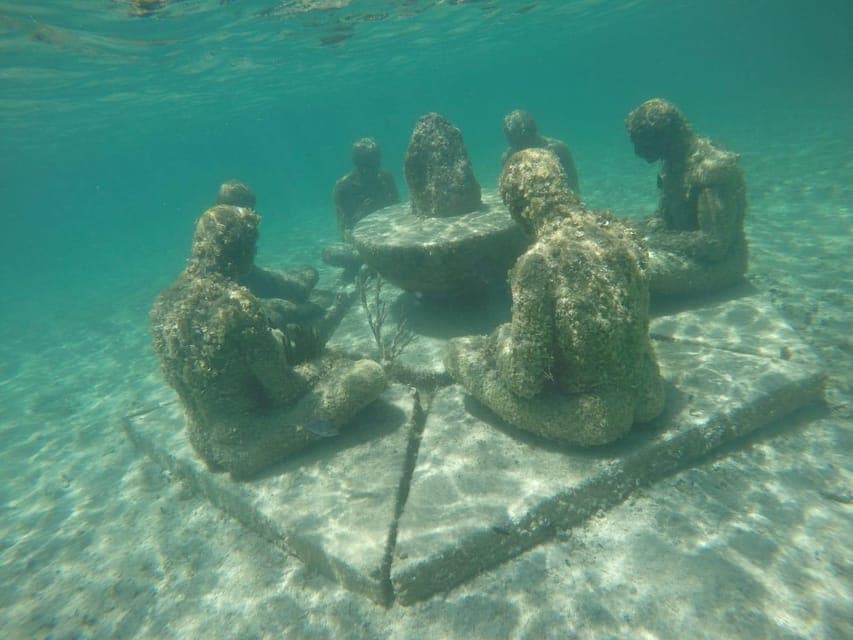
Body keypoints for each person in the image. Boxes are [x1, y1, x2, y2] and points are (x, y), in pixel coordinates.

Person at [150, 205, 386, 479]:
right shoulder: (234, 305)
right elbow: (286, 391)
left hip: (203, 440)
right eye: (253, 244)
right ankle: (312, 428)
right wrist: (321, 361)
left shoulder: (163, 305)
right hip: (247, 444)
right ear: (242, 248)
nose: (256, 252)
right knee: (369, 374)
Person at [446, 149, 664, 446]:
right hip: (649, 393)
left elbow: (524, 378)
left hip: (594, 415)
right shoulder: (624, 235)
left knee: (456, 351)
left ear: (518, 207)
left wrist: (499, 342)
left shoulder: (539, 262)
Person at [625, 98, 748, 296]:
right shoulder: (675, 164)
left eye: (642, 141)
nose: (637, 151)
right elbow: (664, 219)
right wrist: (626, 230)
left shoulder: (709, 170)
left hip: (721, 265)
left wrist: (649, 240)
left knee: (628, 268)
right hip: (692, 252)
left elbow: (714, 245)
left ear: (663, 137)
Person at [332, 138, 399, 239]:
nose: (372, 171)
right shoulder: (343, 188)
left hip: (390, 232)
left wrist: (385, 205)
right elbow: (345, 230)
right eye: (366, 166)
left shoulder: (386, 178)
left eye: (375, 164)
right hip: (360, 239)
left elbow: (398, 207)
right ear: (356, 163)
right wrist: (361, 213)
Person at [502, 109, 580, 194]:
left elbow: (573, 184)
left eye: (524, 140)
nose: (522, 146)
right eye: (515, 142)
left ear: (532, 131)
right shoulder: (508, 157)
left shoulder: (558, 148)